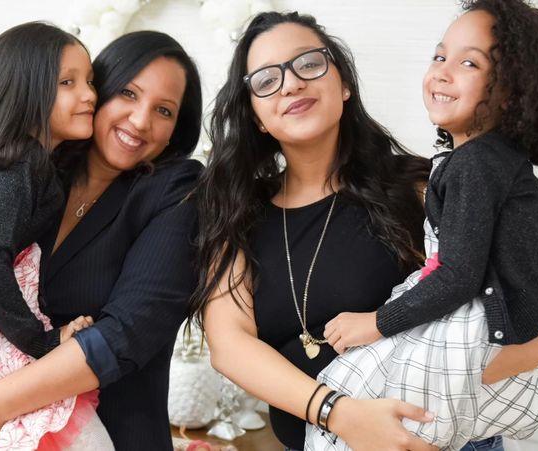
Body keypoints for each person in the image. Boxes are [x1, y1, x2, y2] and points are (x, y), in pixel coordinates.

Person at [307, 0, 538, 450]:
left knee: (357, 379)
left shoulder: (476, 164)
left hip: (482, 325)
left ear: (512, 93)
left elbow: (460, 274)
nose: (442, 72)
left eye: (468, 63)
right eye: (440, 56)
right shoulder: (492, 162)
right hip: (504, 326)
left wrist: (377, 322)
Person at [190, 11, 444, 451]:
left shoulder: (419, 187)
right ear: (257, 117)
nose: (290, 84)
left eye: (307, 64)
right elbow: (229, 345)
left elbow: (492, 309)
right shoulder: (238, 214)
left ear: (343, 84)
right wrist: (339, 414)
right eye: (266, 80)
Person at [0, 29, 203, 451]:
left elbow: (128, 328)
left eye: (163, 110)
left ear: (175, 130)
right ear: (99, 91)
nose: (140, 120)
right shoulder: (34, 169)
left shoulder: (177, 189)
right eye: (127, 93)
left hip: (102, 431)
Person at [0, 22, 113, 450]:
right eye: (68, 83)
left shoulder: (18, 160)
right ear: (23, 90)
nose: (89, 95)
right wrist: (40, 341)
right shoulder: (13, 162)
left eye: (90, 81)